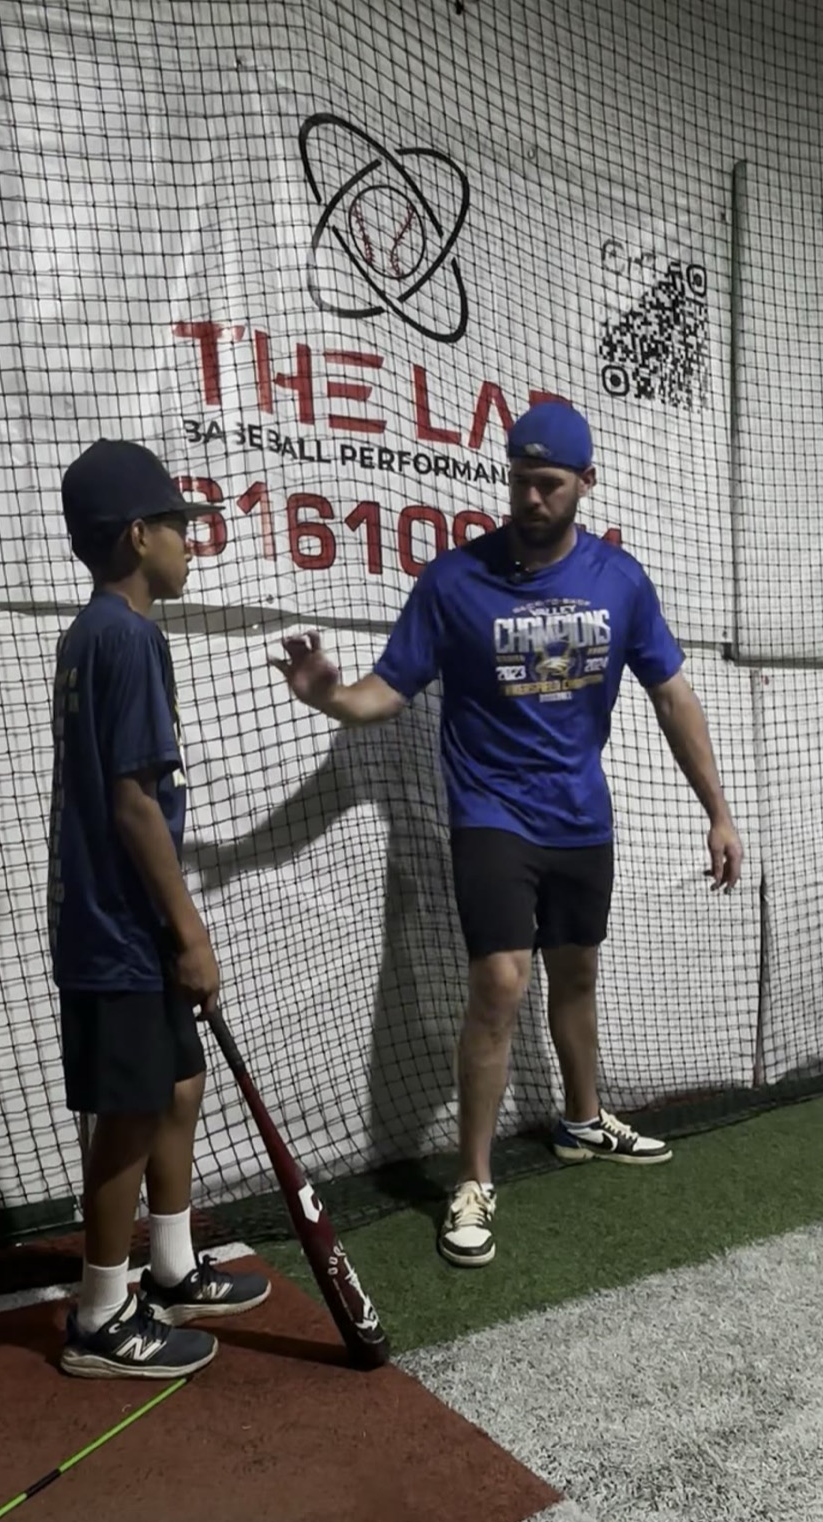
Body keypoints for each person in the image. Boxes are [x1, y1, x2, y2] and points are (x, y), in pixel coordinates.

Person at [271, 400, 743, 1268]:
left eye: (549, 483)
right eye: (521, 480)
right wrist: (329, 698)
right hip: (490, 813)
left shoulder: (620, 580)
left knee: (578, 972)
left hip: (581, 817)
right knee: (499, 979)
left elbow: (673, 695)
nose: (530, 497)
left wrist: (717, 808)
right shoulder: (455, 582)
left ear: (584, 485)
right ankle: (476, 1179)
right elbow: (387, 690)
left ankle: (578, 1119)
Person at [49, 438, 270, 1376]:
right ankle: (100, 1316)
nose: (191, 544)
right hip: (120, 924)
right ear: (138, 536)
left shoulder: (95, 633)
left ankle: (172, 1266)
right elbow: (136, 803)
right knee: (130, 1115)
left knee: (176, 1085)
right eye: (180, 527)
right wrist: (192, 933)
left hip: (118, 919)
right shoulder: (128, 638)